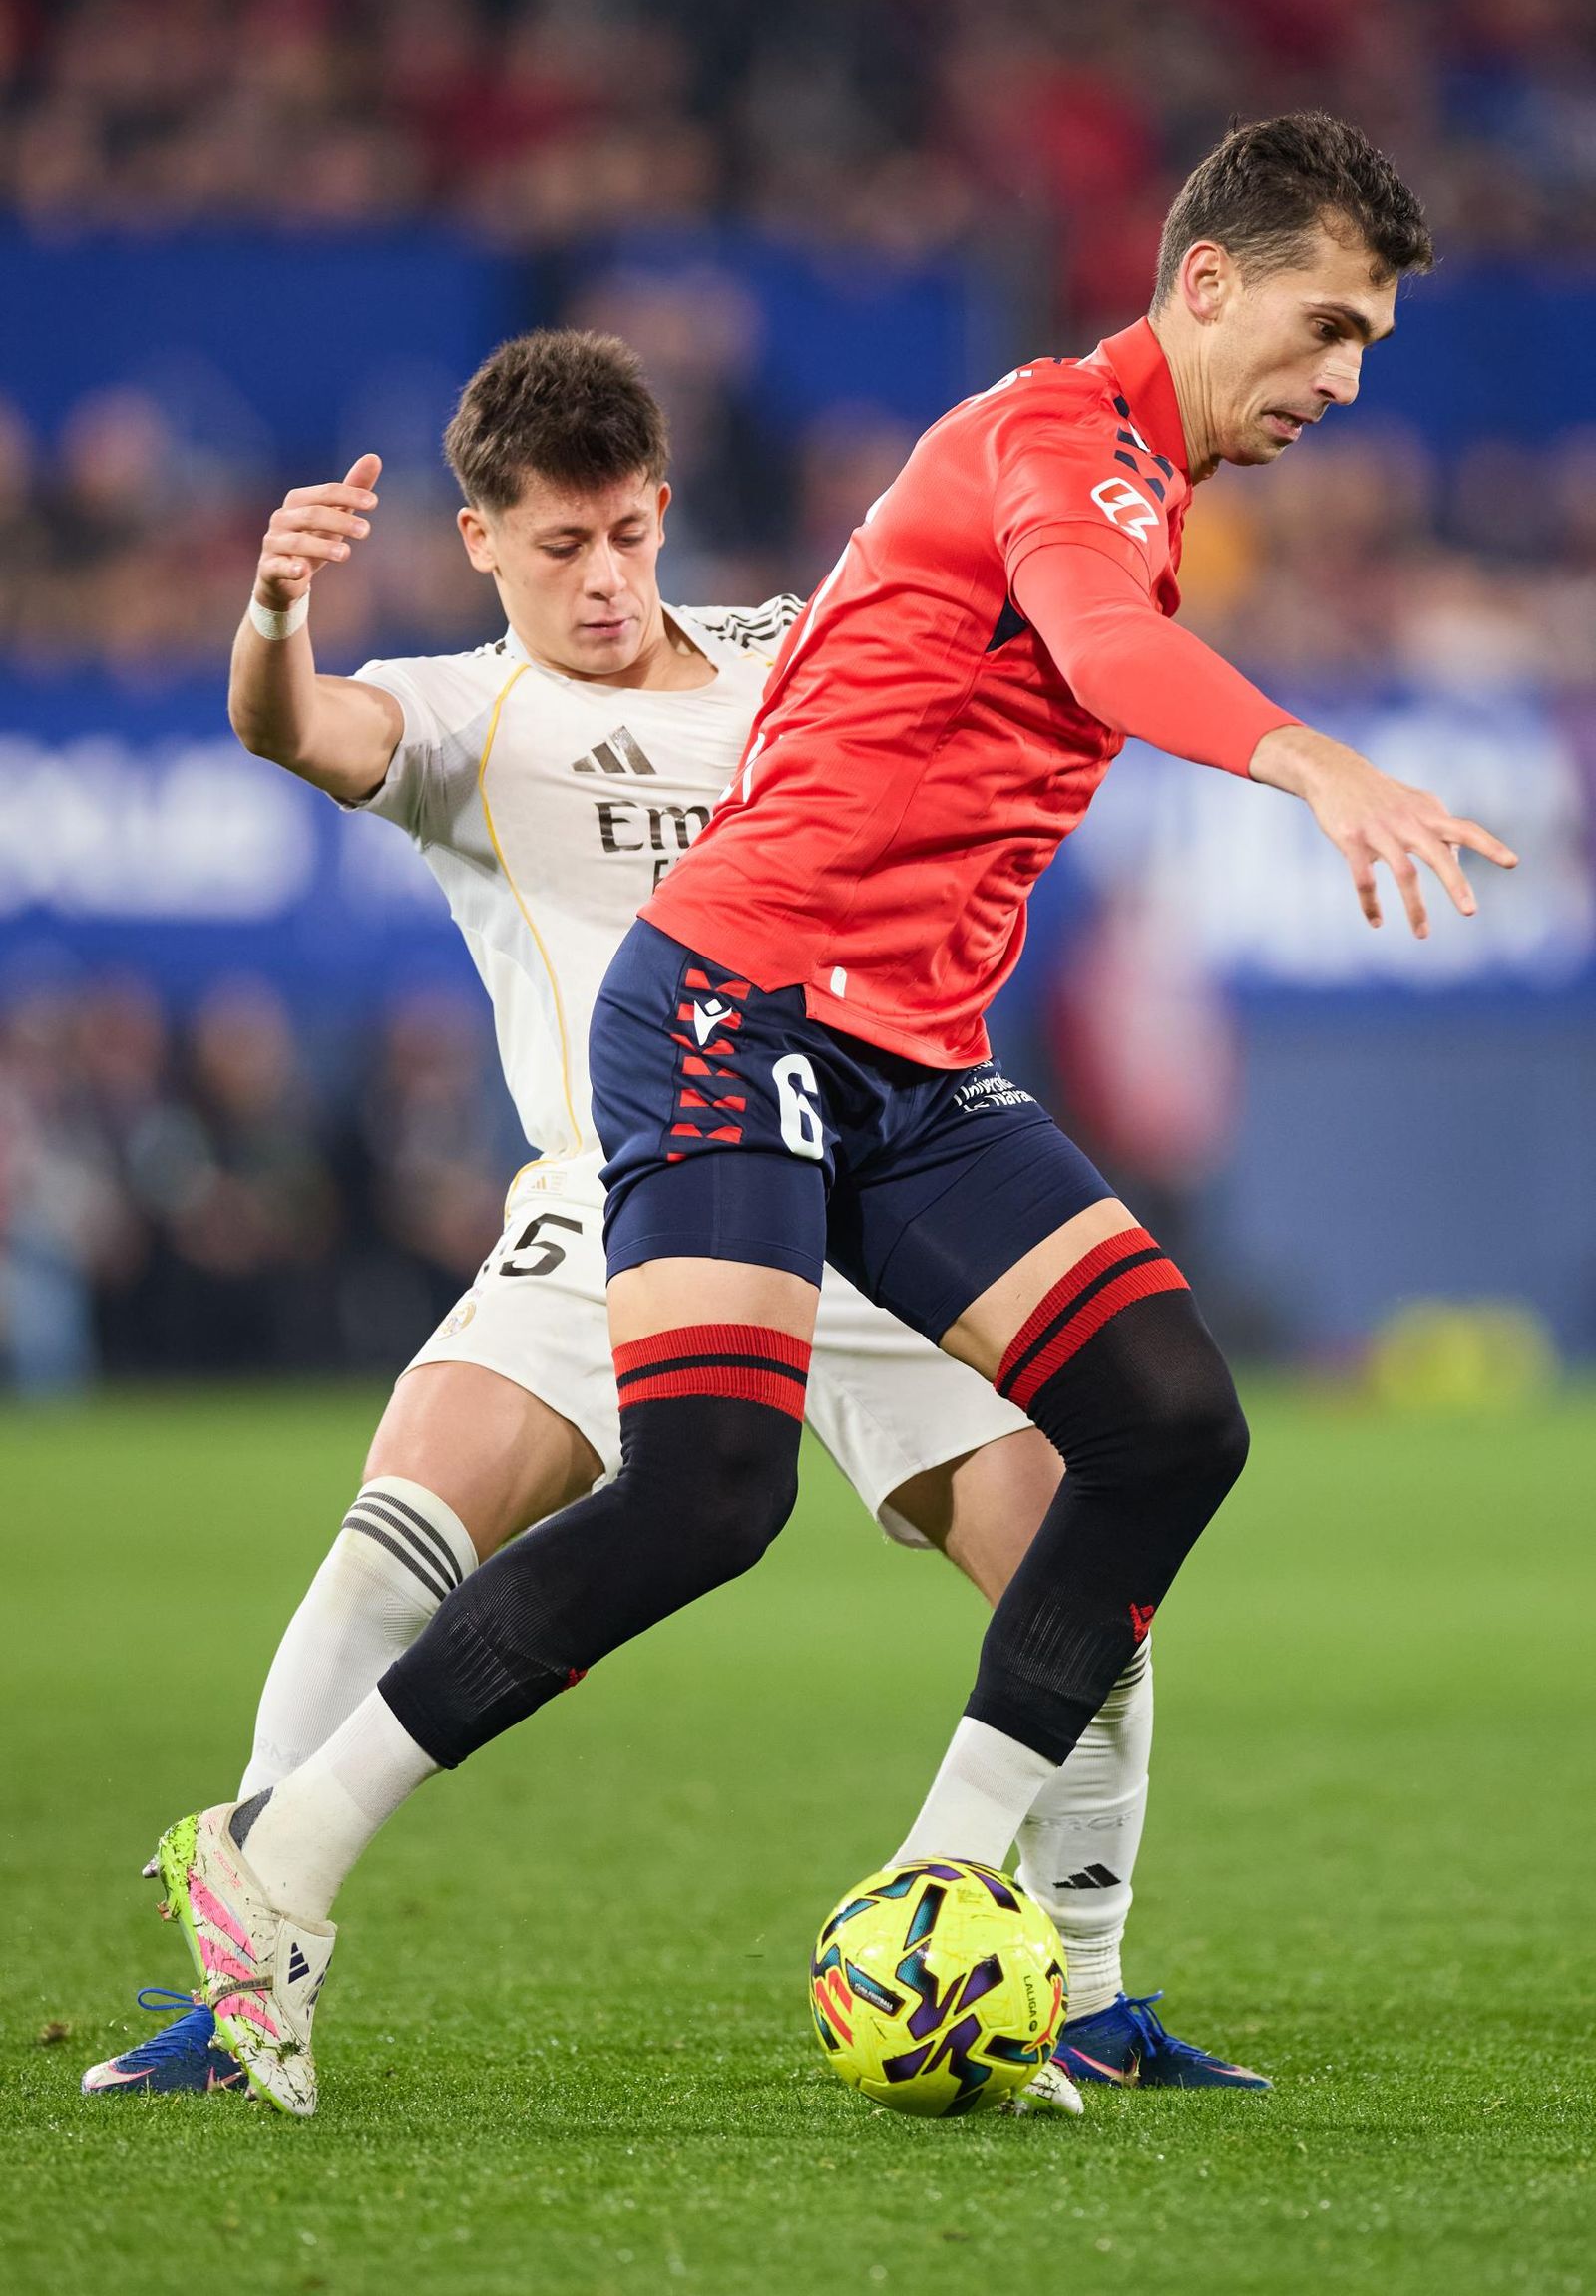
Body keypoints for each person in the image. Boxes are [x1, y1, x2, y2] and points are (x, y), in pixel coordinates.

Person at [149, 114, 1518, 2118]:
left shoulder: (1121, 492)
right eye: (1326, 327)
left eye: (1371, 345)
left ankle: (951, 1887)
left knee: (1165, 1420)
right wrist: (1314, 762)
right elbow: (1102, 645)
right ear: (1206, 282)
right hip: (732, 1005)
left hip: (904, 1061)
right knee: (709, 1497)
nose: (1343, 379)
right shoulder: (1052, 438)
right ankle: (272, 1864)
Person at [89, 329, 1249, 2107]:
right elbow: (293, 726)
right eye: (560, 546)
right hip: (622, 1189)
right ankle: (245, 1976)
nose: (606, 579)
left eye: (629, 533)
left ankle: (1080, 1990)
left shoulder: (790, 655)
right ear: (481, 541)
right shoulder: (464, 712)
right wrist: (270, 615)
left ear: (665, 510)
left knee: (1087, 1548)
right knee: (402, 1525)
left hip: (863, 1160)